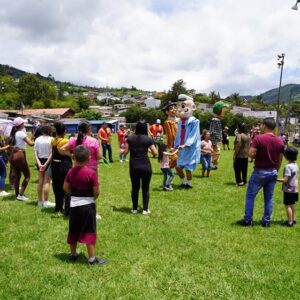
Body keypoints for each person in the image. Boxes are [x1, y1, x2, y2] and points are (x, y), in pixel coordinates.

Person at [63, 145, 107, 265]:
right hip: (88, 206)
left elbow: (65, 188)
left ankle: (73, 254)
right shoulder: (91, 173)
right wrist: (92, 198)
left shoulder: (71, 172)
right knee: (89, 230)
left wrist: (75, 194)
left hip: (74, 205)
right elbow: (96, 192)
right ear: (89, 158)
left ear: (74, 159)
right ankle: (92, 259)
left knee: (73, 229)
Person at [239, 117, 285, 227]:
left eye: (261, 124)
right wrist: (275, 170)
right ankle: (266, 221)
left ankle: (248, 220)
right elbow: (280, 159)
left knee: (250, 196)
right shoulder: (280, 140)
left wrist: (257, 155)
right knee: (269, 198)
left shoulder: (258, 138)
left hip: (259, 171)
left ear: (264, 125)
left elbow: (250, 154)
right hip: (272, 171)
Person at [121, 120, 157, 214]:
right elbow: (155, 153)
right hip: (146, 165)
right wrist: (147, 149)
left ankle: (134, 209)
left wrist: (121, 151)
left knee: (135, 188)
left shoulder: (130, 138)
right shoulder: (148, 139)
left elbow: (125, 152)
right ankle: (145, 209)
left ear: (136, 127)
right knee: (145, 188)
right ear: (145, 128)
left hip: (134, 166)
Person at [174, 94, 200, 189]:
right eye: (179, 106)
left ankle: (189, 184)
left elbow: (194, 134)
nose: (180, 109)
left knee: (188, 169)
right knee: (178, 167)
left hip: (189, 148)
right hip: (181, 148)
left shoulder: (194, 121)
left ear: (192, 107)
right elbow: (178, 134)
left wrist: (186, 144)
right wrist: (176, 145)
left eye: (183, 106)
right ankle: (183, 182)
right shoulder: (180, 122)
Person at [9, 117, 34, 200]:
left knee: (17, 175)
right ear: (21, 124)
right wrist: (36, 140)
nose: (24, 124)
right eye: (23, 123)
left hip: (13, 155)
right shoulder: (21, 133)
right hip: (20, 154)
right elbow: (30, 144)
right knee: (27, 175)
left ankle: (17, 195)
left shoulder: (14, 133)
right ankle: (21, 195)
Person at [51, 122, 72, 215]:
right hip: (64, 165)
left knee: (56, 187)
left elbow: (52, 152)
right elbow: (70, 152)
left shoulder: (53, 140)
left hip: (54, 165)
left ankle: (58, 207)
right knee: (67, 186)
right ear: (64, 131)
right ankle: (67, 209)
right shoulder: (66, 141)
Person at [34, 125, 55, 207]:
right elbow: (51, 153)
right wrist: (46, 164)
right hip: (48, 161)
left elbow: (35, 152)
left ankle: (40, 201)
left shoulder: (37, 139)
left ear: (42, 131)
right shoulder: (52, 139)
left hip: (40, 160)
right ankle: (46, 201)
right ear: (50, 131)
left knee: (40, 181)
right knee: (47, 181)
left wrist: (39, 163)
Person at [277, 147, 298, 227]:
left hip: (288, 190)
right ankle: (293, 219)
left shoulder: (288, 167)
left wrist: (275, 179)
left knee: (287, 205)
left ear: (286, 156)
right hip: (294, 189)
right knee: (292, 204)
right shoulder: (295, 165)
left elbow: (285, 180)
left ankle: (290, 222)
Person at [209, 101, 226, 170]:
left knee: (217, 153)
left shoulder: (218, 120)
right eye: (223, 109)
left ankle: (214, 165)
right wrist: (218, 138)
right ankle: (211, 164)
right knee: (216, 153)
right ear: (219, 110)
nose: (224, 111)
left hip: (218, 140)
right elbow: (212, 131)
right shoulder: (215, 120)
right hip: (215, 140)